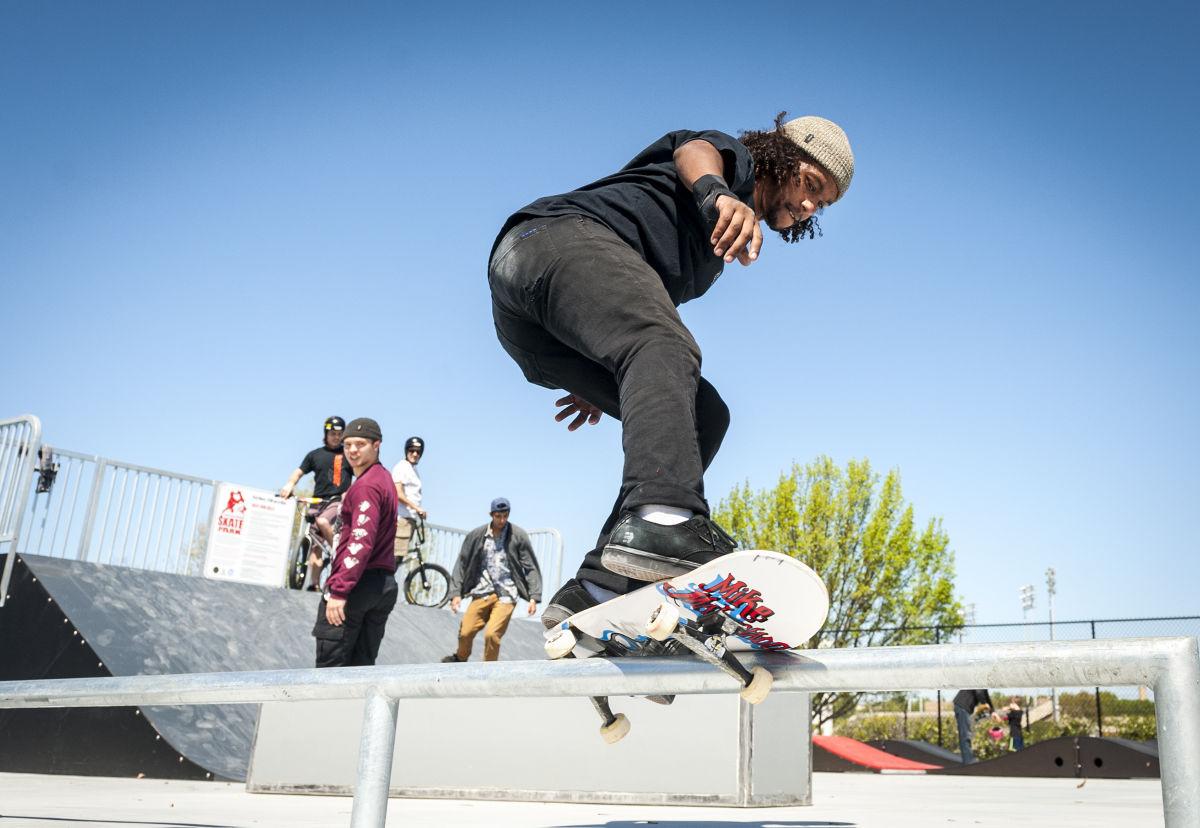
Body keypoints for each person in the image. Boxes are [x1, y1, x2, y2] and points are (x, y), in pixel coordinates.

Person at [485, 113, 854, 627]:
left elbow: (625, 306)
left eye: (825, 203)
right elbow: (693, 149)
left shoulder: (711, 254)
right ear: (783, 157)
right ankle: (664, 517)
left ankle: (598, 586)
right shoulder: (736, 167)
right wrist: (716, 193)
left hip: (540, 331)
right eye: (811, 185)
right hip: (550, 242)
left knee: (704, 413)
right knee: (665, 342)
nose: (811, 205)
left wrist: (602, 353)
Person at [311, 417, 399, 668]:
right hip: (382, 583)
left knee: (331, 671)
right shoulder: (383, 479)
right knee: (360, 670)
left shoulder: (367, 486)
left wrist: (339, 590)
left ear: (377, 445)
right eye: (348, 444)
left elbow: (360, 540)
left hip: (357, 585)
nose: (352, 450)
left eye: (360, 444)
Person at [441, 498, 542, 663]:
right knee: (466, 632)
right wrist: (456, 594)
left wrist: (533, 597)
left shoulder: (518, 536)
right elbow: (462, 563)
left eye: (505, 516)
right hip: (481, 592)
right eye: (498, 516)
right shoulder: (476, 535)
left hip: (507, 594)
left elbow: (530, 566)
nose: (502, 520)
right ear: (491, 515)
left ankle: (489, 669)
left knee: (492, 634)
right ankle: (460, 658)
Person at [279, 416, 354, 590]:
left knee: (322, 521)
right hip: (318, 502)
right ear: (326, 434)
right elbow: (298, 472)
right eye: (332, 434)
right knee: (315, 547)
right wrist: (289, 484)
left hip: (337, 502)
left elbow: (360, 476)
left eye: (339, 434)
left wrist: (349, 493)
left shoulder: (347, 455)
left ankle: (338, 550)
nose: (336, 437)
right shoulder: (315, 455)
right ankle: (314, 584)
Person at [392, 436, 427, 565]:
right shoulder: (402, 467)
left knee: (398, 559)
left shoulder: (413, 469)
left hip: (409, 519)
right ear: (406, 451)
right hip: (401, 519)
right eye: (412, 450)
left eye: (418, 452)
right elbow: (398, 494)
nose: (415, 454)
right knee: (394, 558)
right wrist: (417, 508)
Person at [952, 689, 994, 764]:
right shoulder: (981, 679)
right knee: (965, 734)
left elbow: (986, 696)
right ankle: (968, 761)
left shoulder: (984, 683)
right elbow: (979, 691)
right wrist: (984, 703)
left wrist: (992, 711)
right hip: (962, 705)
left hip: (962, 706)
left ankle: (968, 759)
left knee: (965, 733)